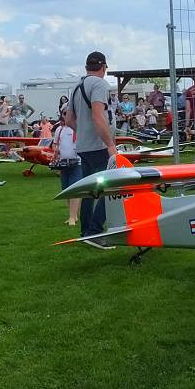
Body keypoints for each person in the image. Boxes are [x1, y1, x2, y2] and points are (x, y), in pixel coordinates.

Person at [63, 51, 118, 249]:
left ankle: (86, 231)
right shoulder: (100, 84)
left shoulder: (77, 86)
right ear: (103, 67)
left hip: (84, 146)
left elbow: (68, 120)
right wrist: (110, 144)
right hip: (99, 146)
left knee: (89, 189)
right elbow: (98, 115)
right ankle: (94, 232)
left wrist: (84, 132)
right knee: (111, 187)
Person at [52, 116, 82, 226]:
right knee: (66, 190)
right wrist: (56, 151)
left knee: (74, 189)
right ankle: (74, 214)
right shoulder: (59, 129)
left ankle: (72, 217)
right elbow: (56, 144)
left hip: (77, 163)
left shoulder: (78, 127)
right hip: (64, 163)